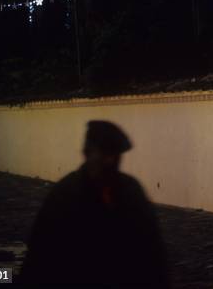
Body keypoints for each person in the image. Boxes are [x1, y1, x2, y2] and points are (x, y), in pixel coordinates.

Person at [19, 120, 169, 287]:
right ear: (87, 152)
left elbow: (152, 250)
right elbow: (41, 254)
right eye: (105, 154)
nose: (110, 161)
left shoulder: (131, 190)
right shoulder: (65, 194)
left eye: (115, 154)